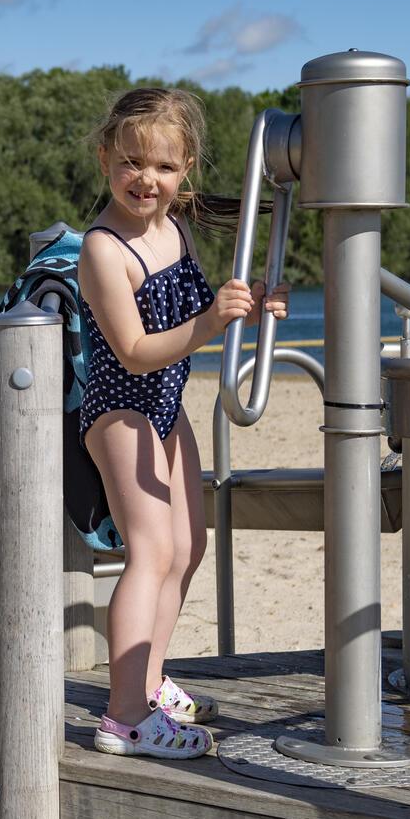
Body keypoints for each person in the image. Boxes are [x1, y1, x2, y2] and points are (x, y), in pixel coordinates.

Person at [78, 88, 289, 759]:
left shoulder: (177, 229)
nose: (147, 179)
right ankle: (123, 717)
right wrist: (213, 321)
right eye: (132, 162)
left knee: (187, 547)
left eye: (164, 167)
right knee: (150, 552)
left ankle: (148, 680)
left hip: (166, 408)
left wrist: (251, 303)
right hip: (121, 409)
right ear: (106, 158)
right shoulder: (103, 249)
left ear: (186, 168)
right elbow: (135, 349)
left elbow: (201, 310)